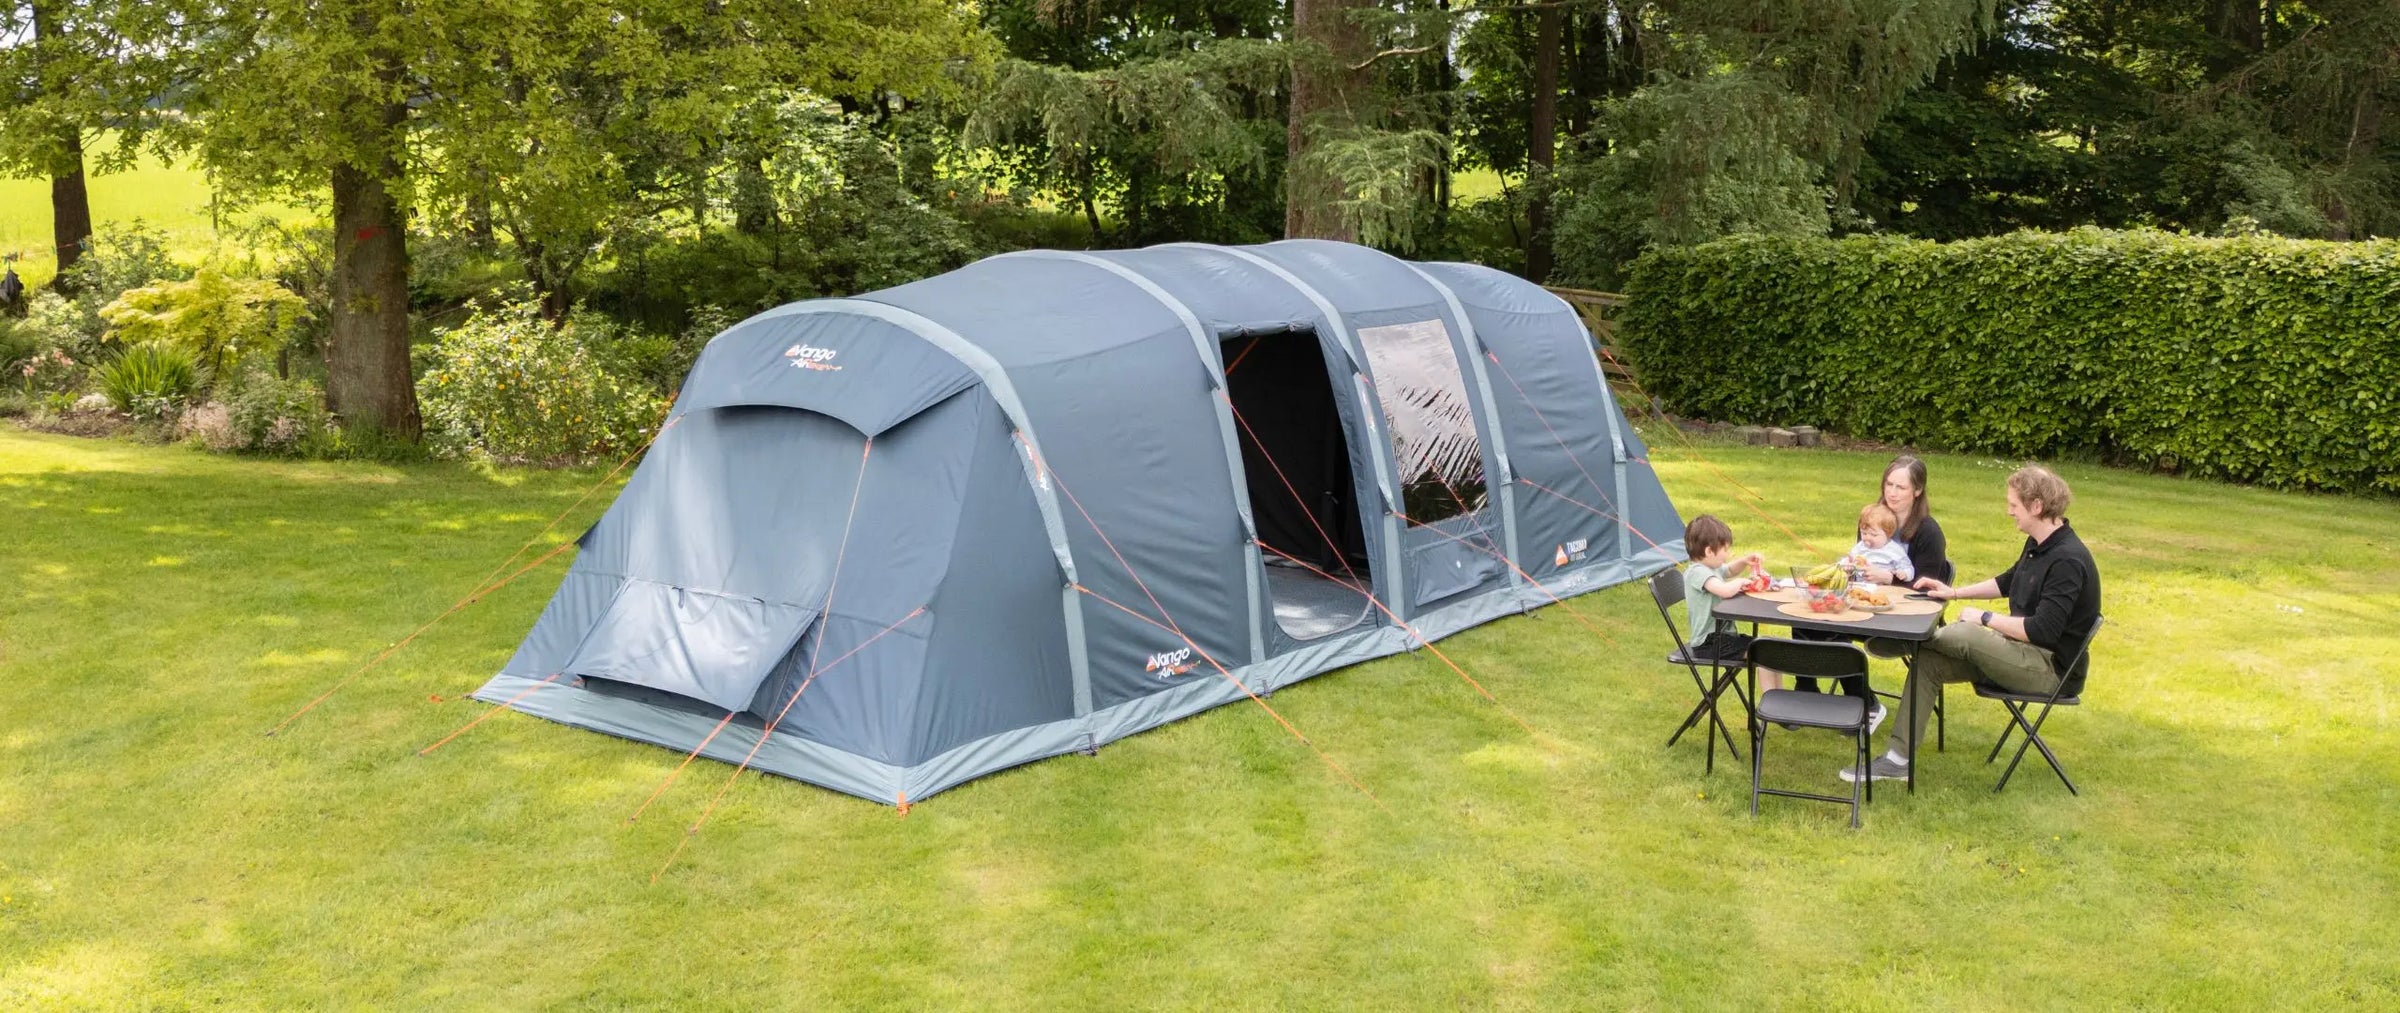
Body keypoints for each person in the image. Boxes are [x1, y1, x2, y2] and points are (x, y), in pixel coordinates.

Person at [1842, 465, 2102, 783]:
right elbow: (2008, 581)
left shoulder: (2068, 560)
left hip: (2049, 670)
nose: (2009, 511)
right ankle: (1897, 761)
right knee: (1927, 662)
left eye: (2014, 505)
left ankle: (1911, 639)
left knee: (1966, 632)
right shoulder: (2040, 543)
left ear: (2037, 506)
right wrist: (1952, 592)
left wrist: (1984, 618)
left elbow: (2042, 631)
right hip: (2018, 654)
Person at [1679, 514, 1764, 669]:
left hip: (1722, 638)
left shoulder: (1711, 567)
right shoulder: (1697, 572)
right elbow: (1724, 591)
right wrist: (1742, 582)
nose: (1727, 554)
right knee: (1763, 653)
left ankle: (1771, 693)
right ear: (1709, 551)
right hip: (1709, 644)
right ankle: (1769, 693)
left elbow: (1729, 570)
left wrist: (1744, 561)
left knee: (1766, 649)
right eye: (1725, 550)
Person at [1843, 502, 1913, 583]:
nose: (1867, 538)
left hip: (1884, 588)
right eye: (1864, 533)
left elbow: (1908, 568)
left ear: (1888, 533)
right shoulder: (1860, 547)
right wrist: (1847, 565)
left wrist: (1904, 574)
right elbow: (1848, 560)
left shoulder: (1894, 550)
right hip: (1861, 586)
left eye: (1874, 535)